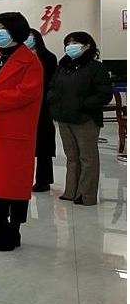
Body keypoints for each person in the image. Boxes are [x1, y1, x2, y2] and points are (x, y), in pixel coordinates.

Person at [0, 12, 43, 251]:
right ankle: (0, 226)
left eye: (2, 27)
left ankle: (14, 230)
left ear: (16, 30)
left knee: (14, 183)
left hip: (15, 131)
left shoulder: (30, 61)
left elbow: (27, 92)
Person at [48, 31, 113, 206]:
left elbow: (104, 93)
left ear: (87, 46)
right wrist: (53, 104)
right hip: (64, 118)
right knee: (71, 156)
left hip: (86, 118)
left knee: (87, 157)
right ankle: (71, 191)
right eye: (68, 43)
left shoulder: (95, 68)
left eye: (75, 43)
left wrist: (83, 104)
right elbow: (52, 87)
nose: (70, 46)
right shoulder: (63, 66)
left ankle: (86, 195)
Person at [24, 29, 58, 192]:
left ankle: (43, 180)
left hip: (43, 106)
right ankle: (23, 178)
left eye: (29, 37)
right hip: (24, 105)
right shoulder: (18, 57)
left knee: (43, 144)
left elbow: (51, 82)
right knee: (24, 146)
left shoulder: (48, 57)